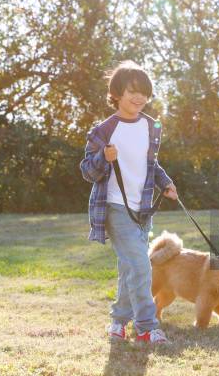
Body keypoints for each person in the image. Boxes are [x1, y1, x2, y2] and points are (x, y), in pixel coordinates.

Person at [79, 60, 178, 344]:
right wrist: (103, 159)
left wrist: (165, 182)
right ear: (117, 93)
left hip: (143, 210)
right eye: (133, 91)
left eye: (144, 92)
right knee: (140, 265)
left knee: (129, 267)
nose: (139, 98)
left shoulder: (151, 126)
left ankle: (118, 322)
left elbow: (151, 164)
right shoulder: (104, 130)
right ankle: (146, 326)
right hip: (115, 207)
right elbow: (88, 170)